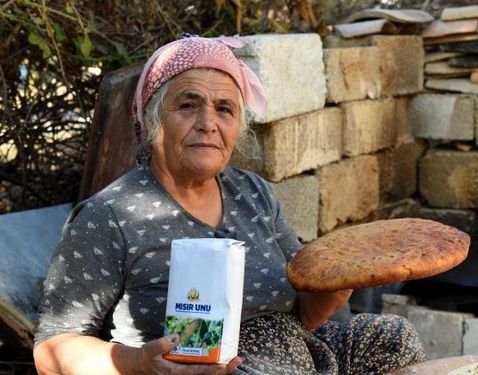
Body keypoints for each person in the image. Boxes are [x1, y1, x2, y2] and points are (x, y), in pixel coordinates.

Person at [33, 35, 426, 375]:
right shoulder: (109, 216)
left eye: (225, 109)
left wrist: (340, 284)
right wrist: (138, 363)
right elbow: (51, 352)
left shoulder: (252, 192)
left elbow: (304, 313)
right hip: (204, 370)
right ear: (154, 122)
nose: (208, 122)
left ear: (238, 128)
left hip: (296, 352)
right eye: (188, 105)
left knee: (393, 335)